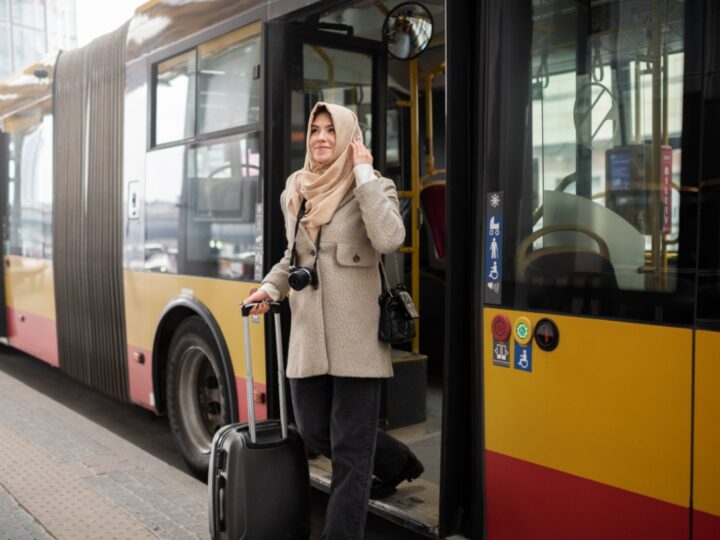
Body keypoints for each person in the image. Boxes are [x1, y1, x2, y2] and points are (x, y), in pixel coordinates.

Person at [242, 101, 423, 539]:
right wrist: (269, 288)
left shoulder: (373, 185)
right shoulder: (297, 189)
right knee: (315, 431)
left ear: (348, 137)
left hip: (357, 339)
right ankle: (397, 462)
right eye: (315, 130)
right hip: (308, 337)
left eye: (331, 130)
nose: (321, 138)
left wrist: (362, 175)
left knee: (350, 453)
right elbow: (292, 258)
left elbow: (389, 238)